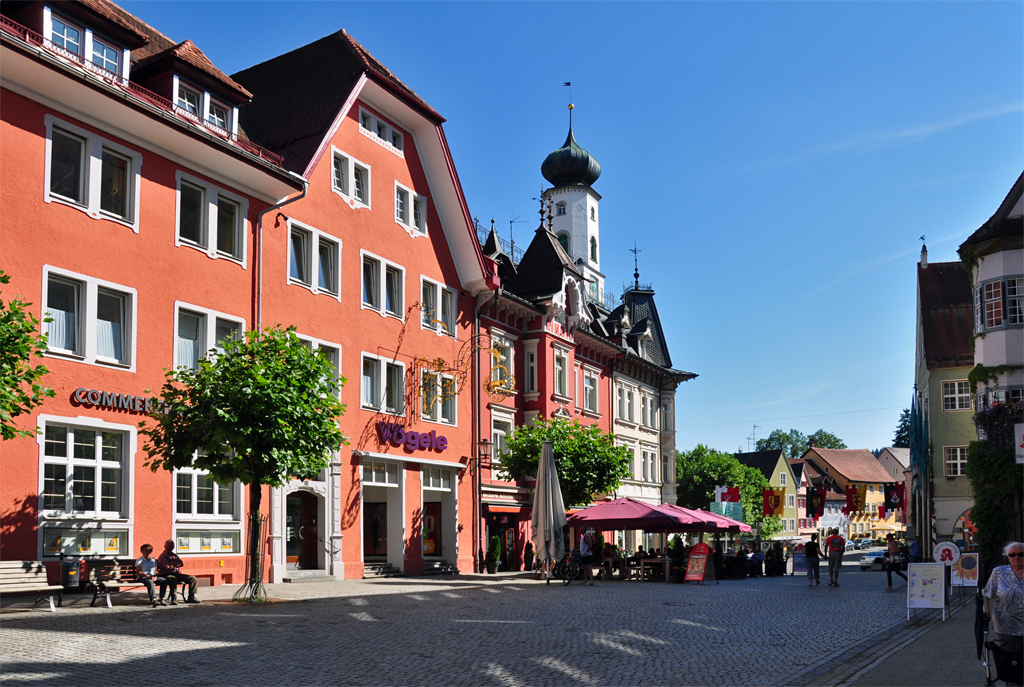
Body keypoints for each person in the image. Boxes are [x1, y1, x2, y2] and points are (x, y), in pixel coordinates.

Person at [983, 542, 1024, 651]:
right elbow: (987, 593)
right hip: (1005, 626)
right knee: (1009, 661)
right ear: (1007, 556)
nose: (1016, 557)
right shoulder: (999, 572)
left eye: (1020, 554)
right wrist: (986, 609)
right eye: (1012, 555)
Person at [157, 539, 201, 604]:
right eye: (168, 546)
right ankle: (173, 597)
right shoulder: (162, 556)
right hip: (166, 575)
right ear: (165, 546)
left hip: (177, 574)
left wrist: (172, 563)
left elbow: (181, 563)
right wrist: (175, 563)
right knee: (173, 579)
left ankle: (191, 596)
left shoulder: (174, 555)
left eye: (172, 546)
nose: (170, 547)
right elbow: (168, 567)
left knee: (193, 578)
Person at [135, 543, 172, 607]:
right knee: (150, 581)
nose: (146, 552)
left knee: (164, 580)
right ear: (142, 551)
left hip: (152, 576)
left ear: (150, 551)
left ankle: (161, 598)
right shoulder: (140, 560)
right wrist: (148, 576)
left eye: (148, 550)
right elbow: (139, 572)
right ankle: (154, 599)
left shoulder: (153, 560)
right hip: (143, 577)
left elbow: (156, 570)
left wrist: (155, 576)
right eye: (144, 550)